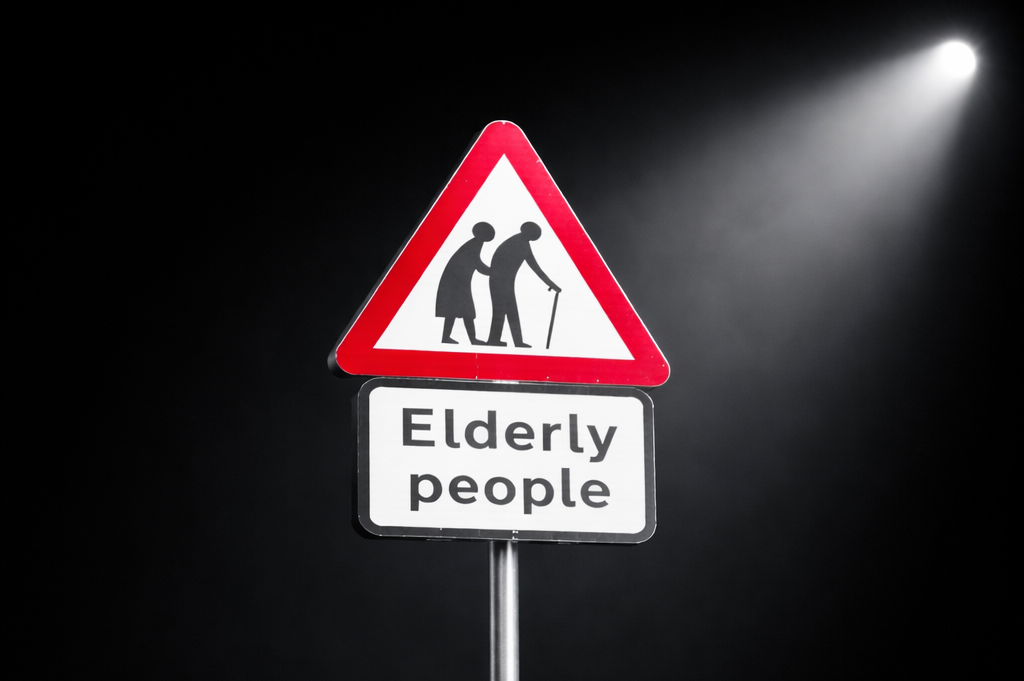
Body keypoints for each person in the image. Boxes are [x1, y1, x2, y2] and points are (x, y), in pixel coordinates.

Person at [486, 221, 560, 348]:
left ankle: (515, 342)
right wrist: (552, 285)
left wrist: (552, 285)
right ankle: (494, 341)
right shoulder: (519, 243)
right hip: (500, 282)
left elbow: (535, 267)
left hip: (504, 282)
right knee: (500, 311)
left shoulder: (521, 242)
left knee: (511, 312)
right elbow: (535, 268)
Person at [435, 222, 495, 344]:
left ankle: (451, 338)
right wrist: (493, 271)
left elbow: (476, 263)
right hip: (456, 283)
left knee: (457, 310)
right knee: (462, 310)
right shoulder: (474, 244)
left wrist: (490, 271)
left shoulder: (475, 243)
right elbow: (477, 264)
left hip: (458, 282)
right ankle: (469, 339)